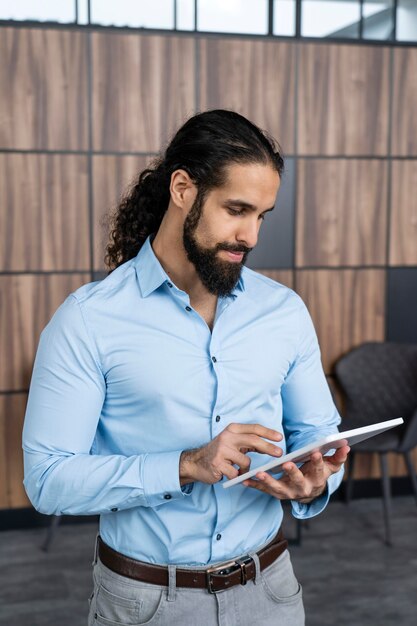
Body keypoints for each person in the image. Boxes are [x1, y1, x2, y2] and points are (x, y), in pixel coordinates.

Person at [23, 109, 349, 626]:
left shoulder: (283, 311)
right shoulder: (89, 320)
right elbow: (48, 479)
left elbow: (318, 434)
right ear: (182, 189)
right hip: (146, 603)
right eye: (236, 209)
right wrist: (185, 464)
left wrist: (317, 481)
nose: (251, 236)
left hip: (271, 593)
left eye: (262, 215)